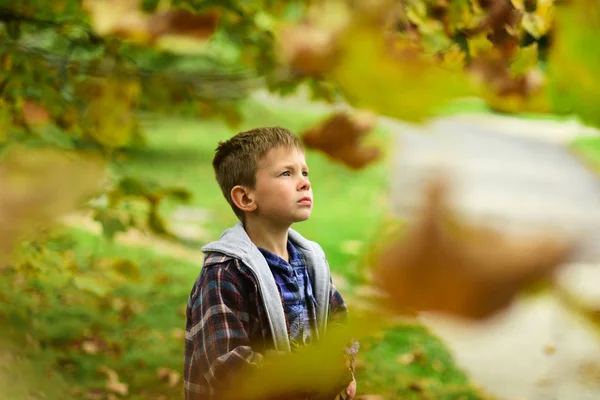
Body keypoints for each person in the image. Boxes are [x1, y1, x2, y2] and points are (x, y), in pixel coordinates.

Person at [184, 127, 357, 399]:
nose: (304, 182)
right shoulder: (225, 274)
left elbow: (338, 318)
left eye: (305, 172)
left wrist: (341, 363)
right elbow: (225, 364)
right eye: (286, 173)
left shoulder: (310, 262)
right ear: (245, 198)